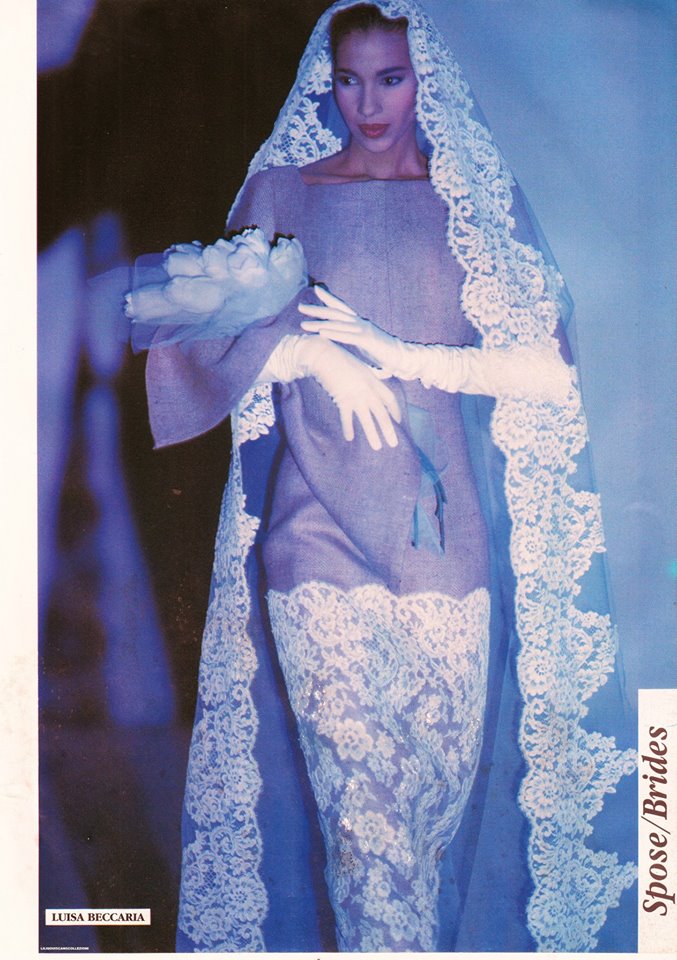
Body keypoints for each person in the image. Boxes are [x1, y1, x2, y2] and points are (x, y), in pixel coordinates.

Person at [141, 0, 636, 952]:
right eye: (348, 79)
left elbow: (546, 370)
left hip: (442, 551)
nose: (367, 103)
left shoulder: (469, 205)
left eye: (390, 79)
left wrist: (402, 355)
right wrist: (312, 355)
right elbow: (185, 332)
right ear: (324, 82)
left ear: (426, 82)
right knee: (364, 848)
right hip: (313, 541)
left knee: (418, 846)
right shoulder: (282, 193)